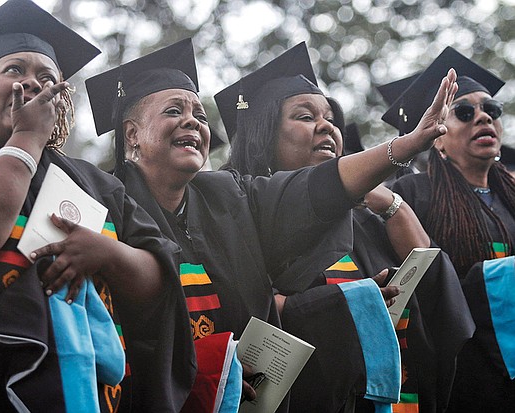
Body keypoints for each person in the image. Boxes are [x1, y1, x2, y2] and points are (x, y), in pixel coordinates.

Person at [85, 38, 458, 412]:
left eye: (200, 115)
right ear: (132, 134)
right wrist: (200, 369)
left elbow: (309, 190)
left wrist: (403, 147)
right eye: (173, 111)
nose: (192, 122)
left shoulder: (227, 196)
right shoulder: (104, 204)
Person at [0, 0, 195, 411]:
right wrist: (27, 140)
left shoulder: (95, 184)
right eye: (14, 69)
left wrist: (108, 253)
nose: (33, 83)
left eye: (47, 76)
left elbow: (159, 285)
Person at [217, 42, 474, 413]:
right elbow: (238, 309)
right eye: (305, 117)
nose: (326, 126)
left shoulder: (364, 218)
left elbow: (434, 284)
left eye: (331, 119)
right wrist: (352, 304)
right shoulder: (236, 211)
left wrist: (388, 202)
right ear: (263, 133)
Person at [384, 46, 515, 412]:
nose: (482, 118)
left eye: (491, 110)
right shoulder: (412, 193)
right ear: (438, 139)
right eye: (464, 112)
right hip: (461, 366)